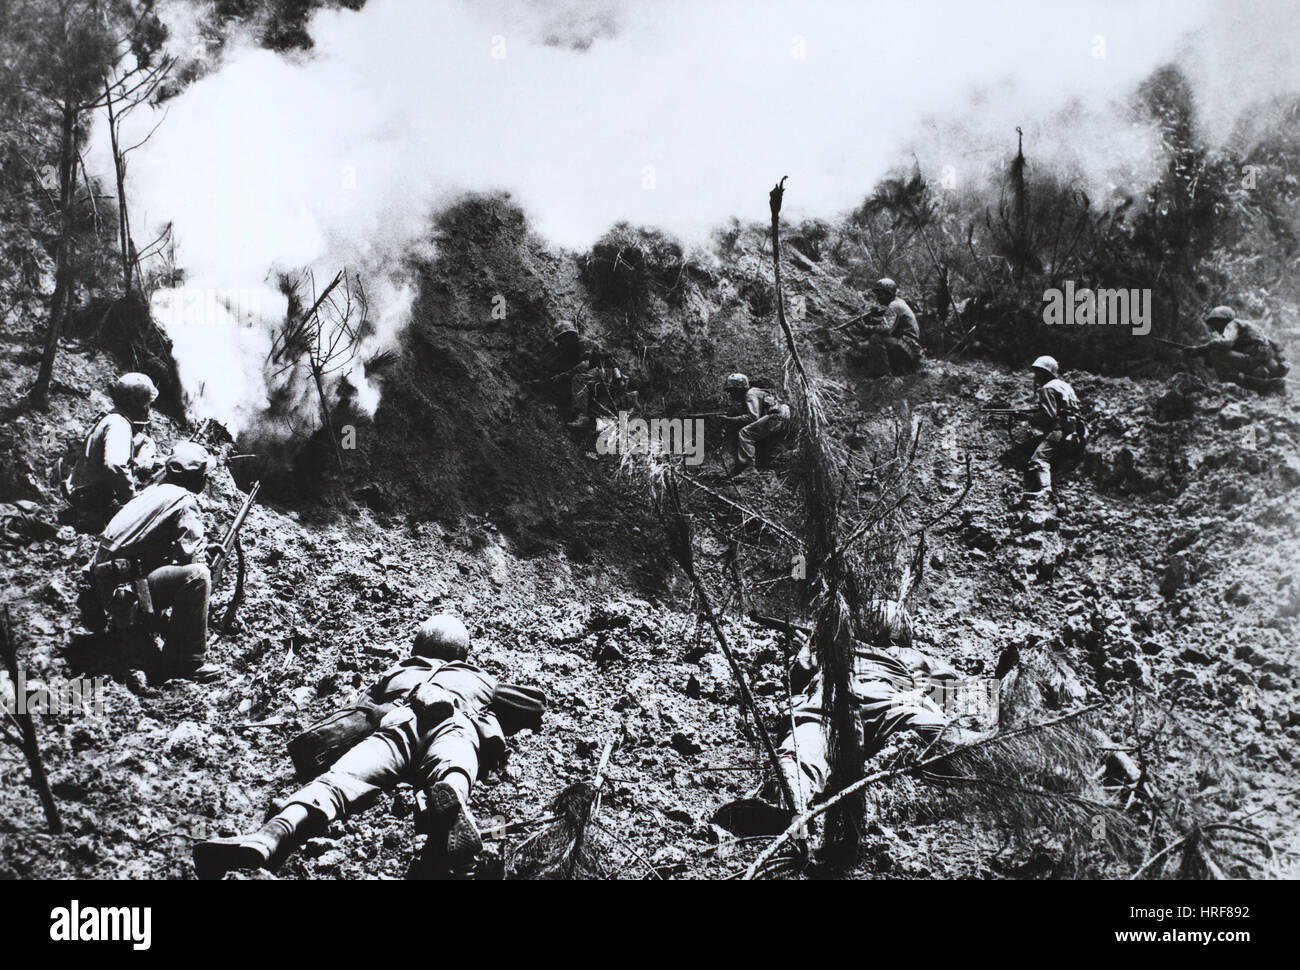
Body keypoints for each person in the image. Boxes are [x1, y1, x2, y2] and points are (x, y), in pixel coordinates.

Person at [193, 614, 545, 879]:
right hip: (452, 722)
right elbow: (533, 705)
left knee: (335, 782)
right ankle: (448, 803)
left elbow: (357, 712)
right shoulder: (477, 678)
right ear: (462, 651)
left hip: (396, 725)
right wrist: (490, 692)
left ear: (419, 645)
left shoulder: (395, 673)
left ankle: (269, 836)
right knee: (453, 766)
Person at [83, 442, 221, 682]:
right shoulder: (184, 500)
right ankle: (186, 660)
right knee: (199, 575)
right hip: (121, 592)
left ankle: (138, 625)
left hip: (104, 581)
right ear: (196, 479)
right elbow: (193, 557)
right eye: (204, 476)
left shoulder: (153, 492)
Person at [63, 373, 160, 530]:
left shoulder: (113, 418)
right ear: (137, 403)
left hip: (87, 491)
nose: (147, 408)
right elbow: (115, 464)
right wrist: (130, 498)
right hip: (91, 498)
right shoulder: (119, 425)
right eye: (146, 403)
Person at [1192, 305, 1288, 393]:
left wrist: (1201, 349)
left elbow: (1226, 344)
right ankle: (1265, 386)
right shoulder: (1253, 327)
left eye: (1216, 322)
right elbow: (1277, 347)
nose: (1215, 327)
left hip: (1254, 363)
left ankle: (1229, 388)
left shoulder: (1233, 324)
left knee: (1215, 353)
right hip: (1270, 366)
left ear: (1225, 320)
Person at [547, 320, 624, 428]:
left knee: (578, 379)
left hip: (606, 373)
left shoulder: (584, 342)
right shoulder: (570, 348)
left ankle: (582, 417)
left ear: (570, 335)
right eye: (560, 339)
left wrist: (563, 375)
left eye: (563, 338)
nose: (561, 342)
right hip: (597, 376)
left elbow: (584, 365)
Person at [850, 278, 923, 376]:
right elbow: (891, 323)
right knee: (871, 342)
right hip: (909, 346)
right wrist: (873, 319)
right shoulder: (898, 303)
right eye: (877, 294)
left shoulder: (894, 305)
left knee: (875, 338)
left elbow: (886, 329)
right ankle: (894, 370)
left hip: (908, 347)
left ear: (889, 293)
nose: (878, 297)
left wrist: (866, 328)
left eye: (881, 294)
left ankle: (883, 374)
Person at [722, 373, 790, 476]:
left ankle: (748, 469)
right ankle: (742, 467)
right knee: (749, 431)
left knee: (745, 433)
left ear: (739, 388)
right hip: (779, 417)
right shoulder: (754, 392)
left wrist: (730, 420)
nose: (731, 395)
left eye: (732, 391)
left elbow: (753, 417)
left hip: (775, 418)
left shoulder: (750, 394)